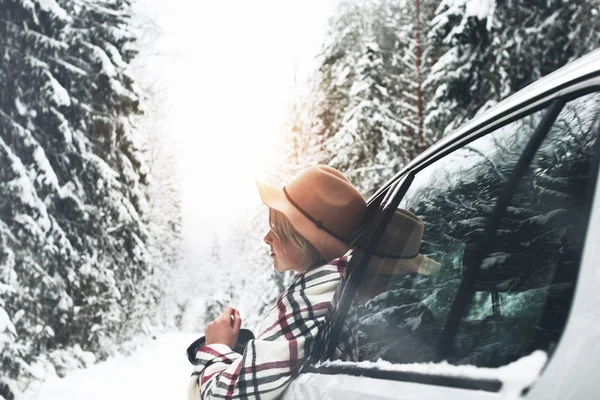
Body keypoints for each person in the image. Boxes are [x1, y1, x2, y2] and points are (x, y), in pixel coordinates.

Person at [188, 165, 367, 400]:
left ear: (305, 238)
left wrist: (217, 348)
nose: (266, 237)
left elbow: (223, 397)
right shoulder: (333, 291)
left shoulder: (313, 304)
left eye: (278, 228)